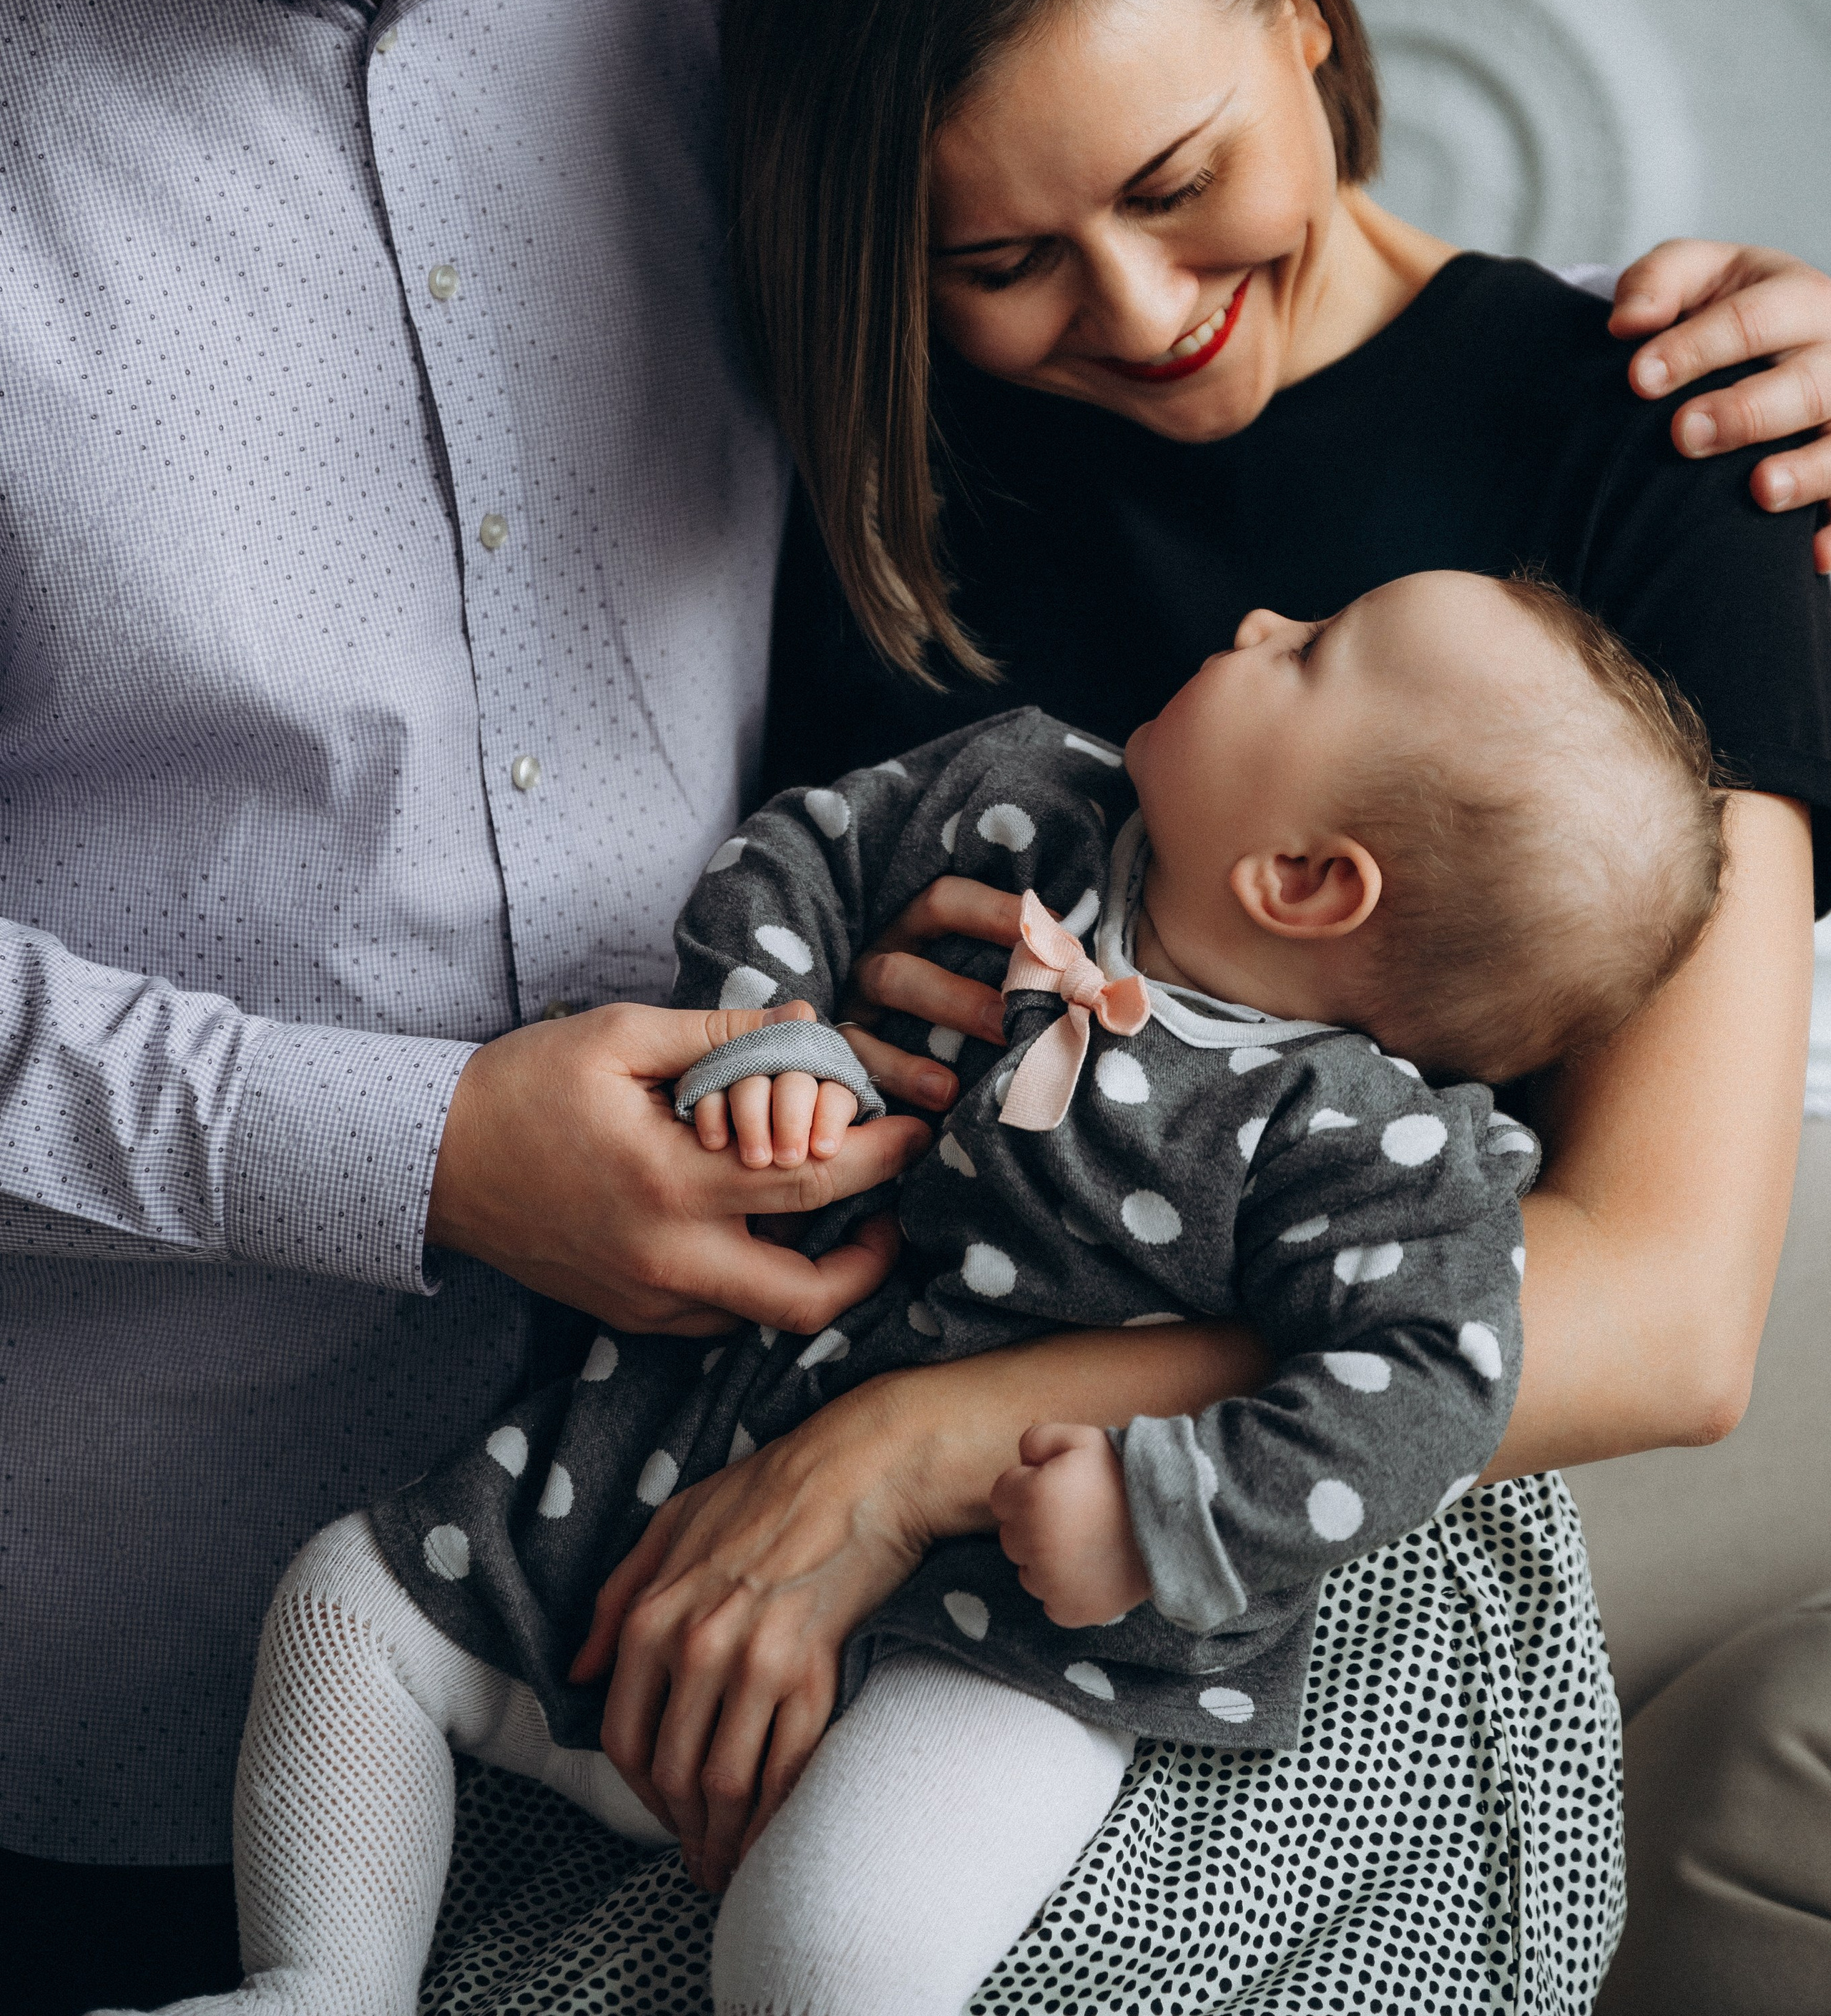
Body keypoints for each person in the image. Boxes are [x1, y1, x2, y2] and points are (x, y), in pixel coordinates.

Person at [3, 0, 1826, 1995]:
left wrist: (911, 1443)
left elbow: (1663, 1286)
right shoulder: (886, 223)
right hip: (231, 1618)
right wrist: (423, 1136)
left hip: (1035, 1586)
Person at [491, 0, 1831, 2016]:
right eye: (999, 255)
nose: (1126, 311)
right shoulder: (898, 504)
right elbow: (836, 1033)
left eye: (1180, 176)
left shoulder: (1657, 434)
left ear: (1303, 5)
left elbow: (1675, 1308)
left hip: (1423, 1397)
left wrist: (923, 1447)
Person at [0, 0, 946, 2010]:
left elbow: (1235, 255)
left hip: (756, 1672)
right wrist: (410, 1146)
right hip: (114, 1711)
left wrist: (1676, 382)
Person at [105, 567, 1725, 2016]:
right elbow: (801, 853)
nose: (1252, 622)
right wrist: (772, 1030)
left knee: (833, 1947)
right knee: (344, 1602)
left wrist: (1169, 1508)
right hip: (663, 1472)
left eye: (1309, 654)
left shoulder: (1363, 1142)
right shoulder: (1025, 795)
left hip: (1007, 1637)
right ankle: (322, 1980)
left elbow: (1432, 1383)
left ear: (1305, 878)